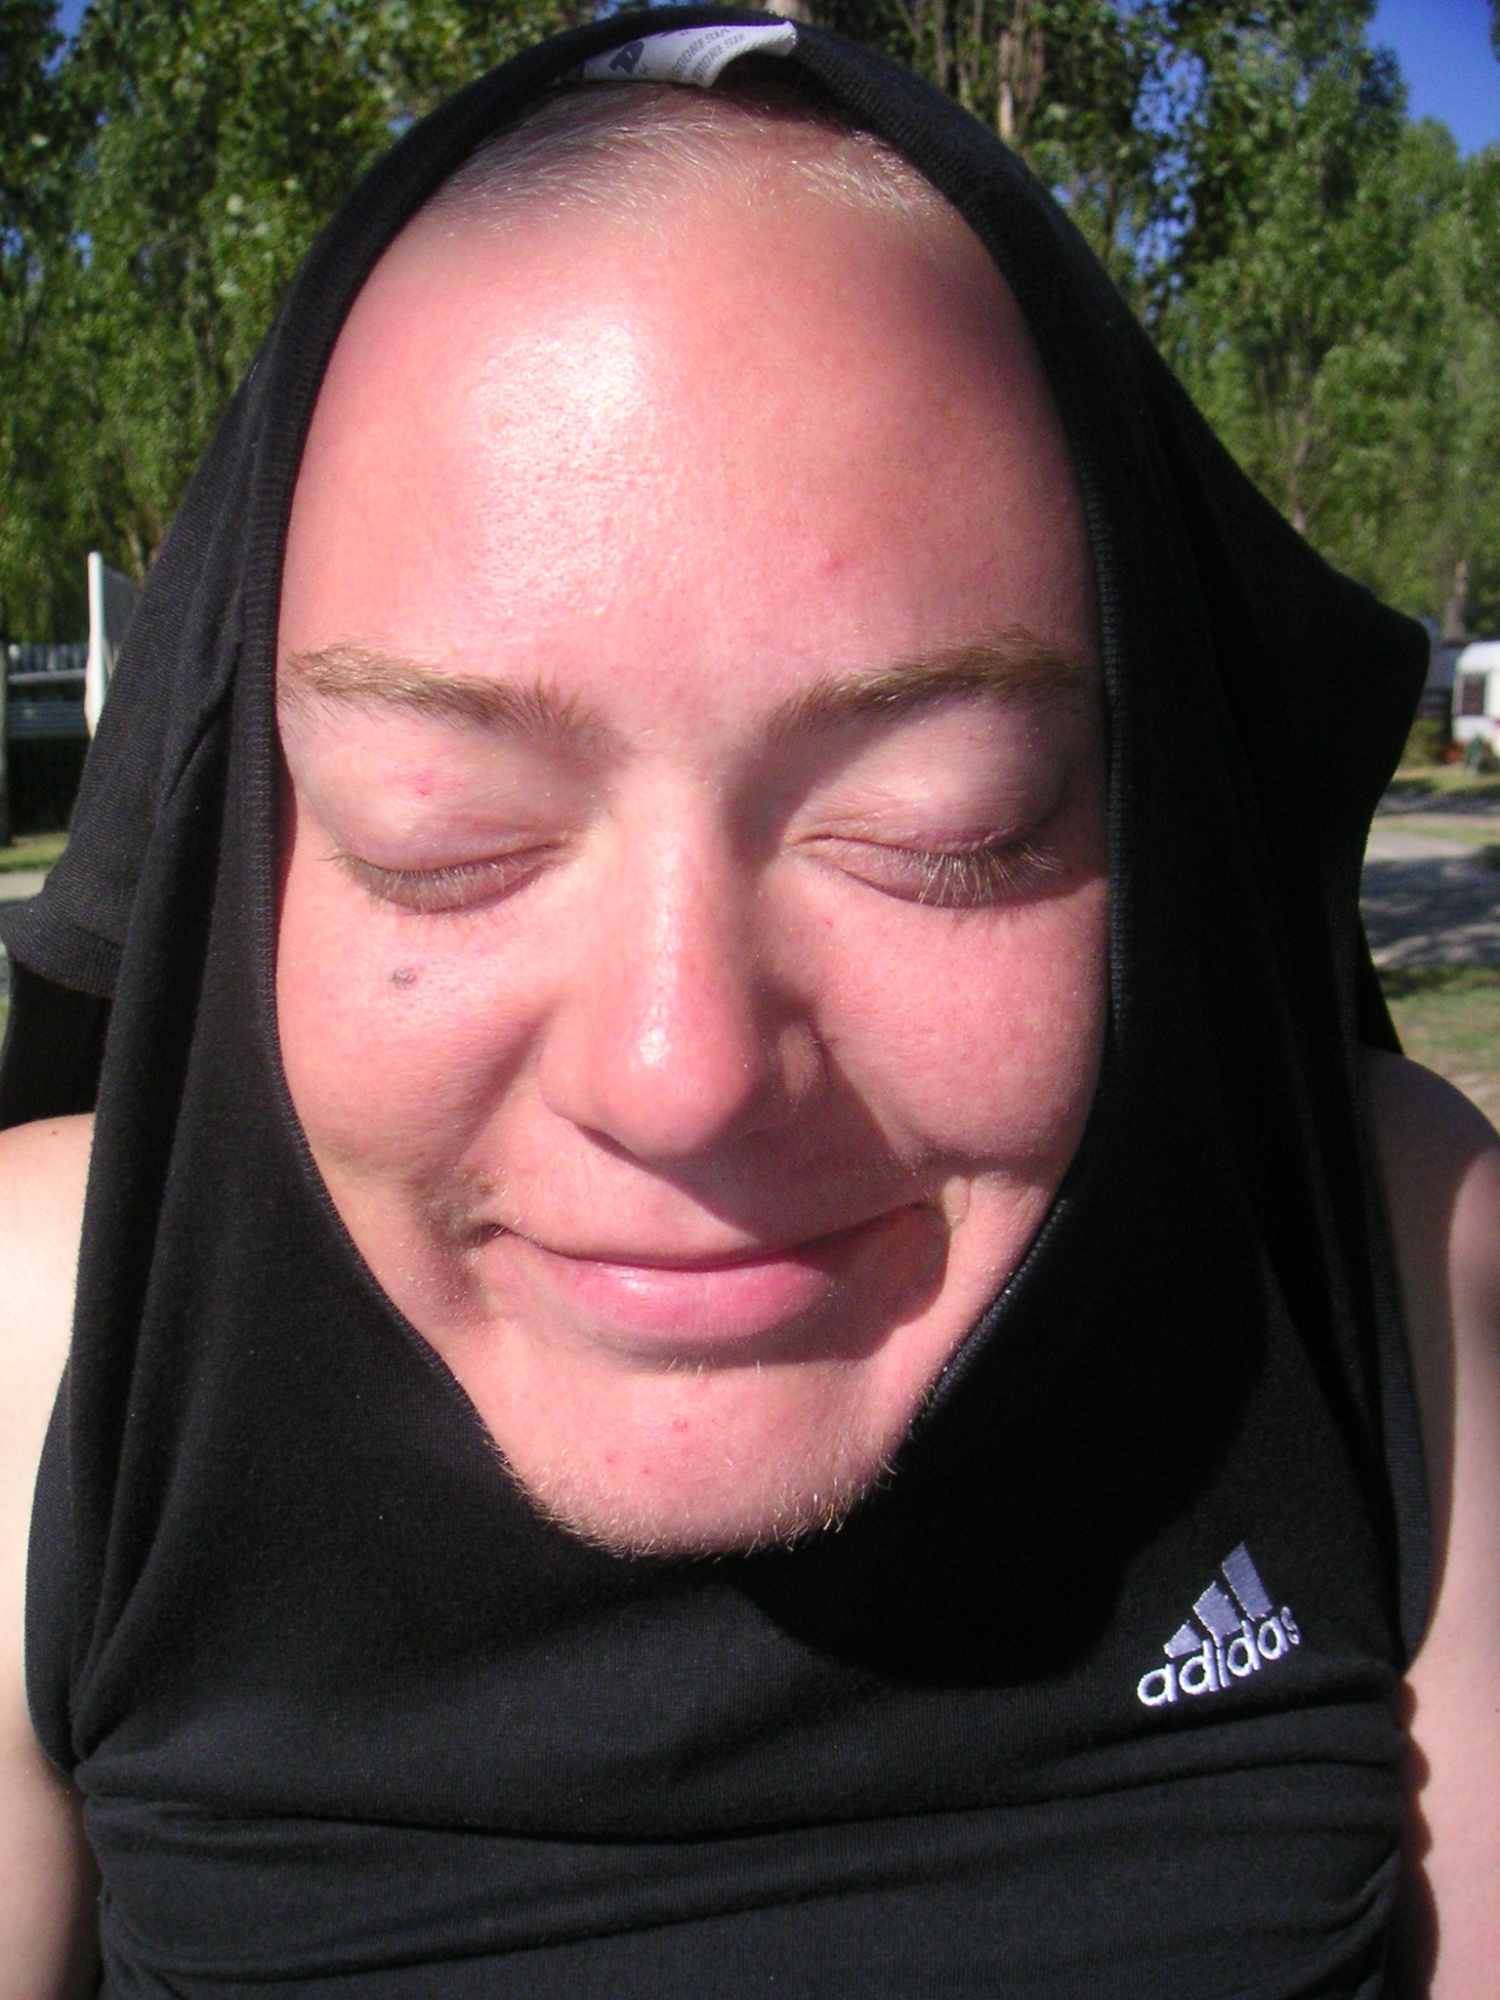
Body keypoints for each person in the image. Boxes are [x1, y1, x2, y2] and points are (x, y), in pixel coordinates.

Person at [0, 12, 1496, 1995]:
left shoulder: (1393, 1256)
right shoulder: (48, 1329)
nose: (680, 1074)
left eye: (940, 824)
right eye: (443, 832)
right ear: (239, 846)